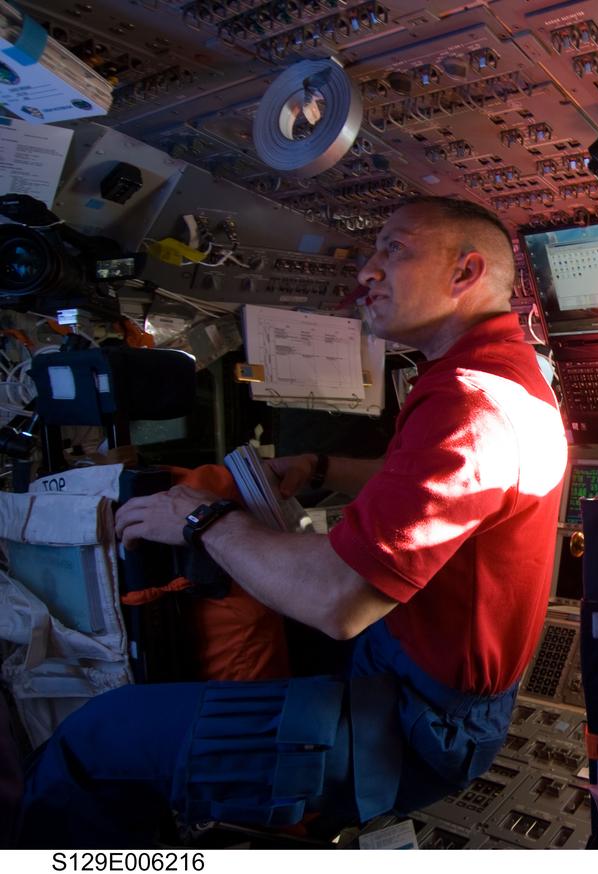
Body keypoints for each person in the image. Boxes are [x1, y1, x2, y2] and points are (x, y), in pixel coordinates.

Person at [18, 197, 569, 847]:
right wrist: (318, 464)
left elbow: (338, 602)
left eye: (394, 248)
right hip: (411, 664)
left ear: (465, 271)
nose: (367, 270)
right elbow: (412, 485)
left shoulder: (473, 404)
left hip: (417, 722)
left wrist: (202, 520)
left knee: (89, 743)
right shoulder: (491, 377)